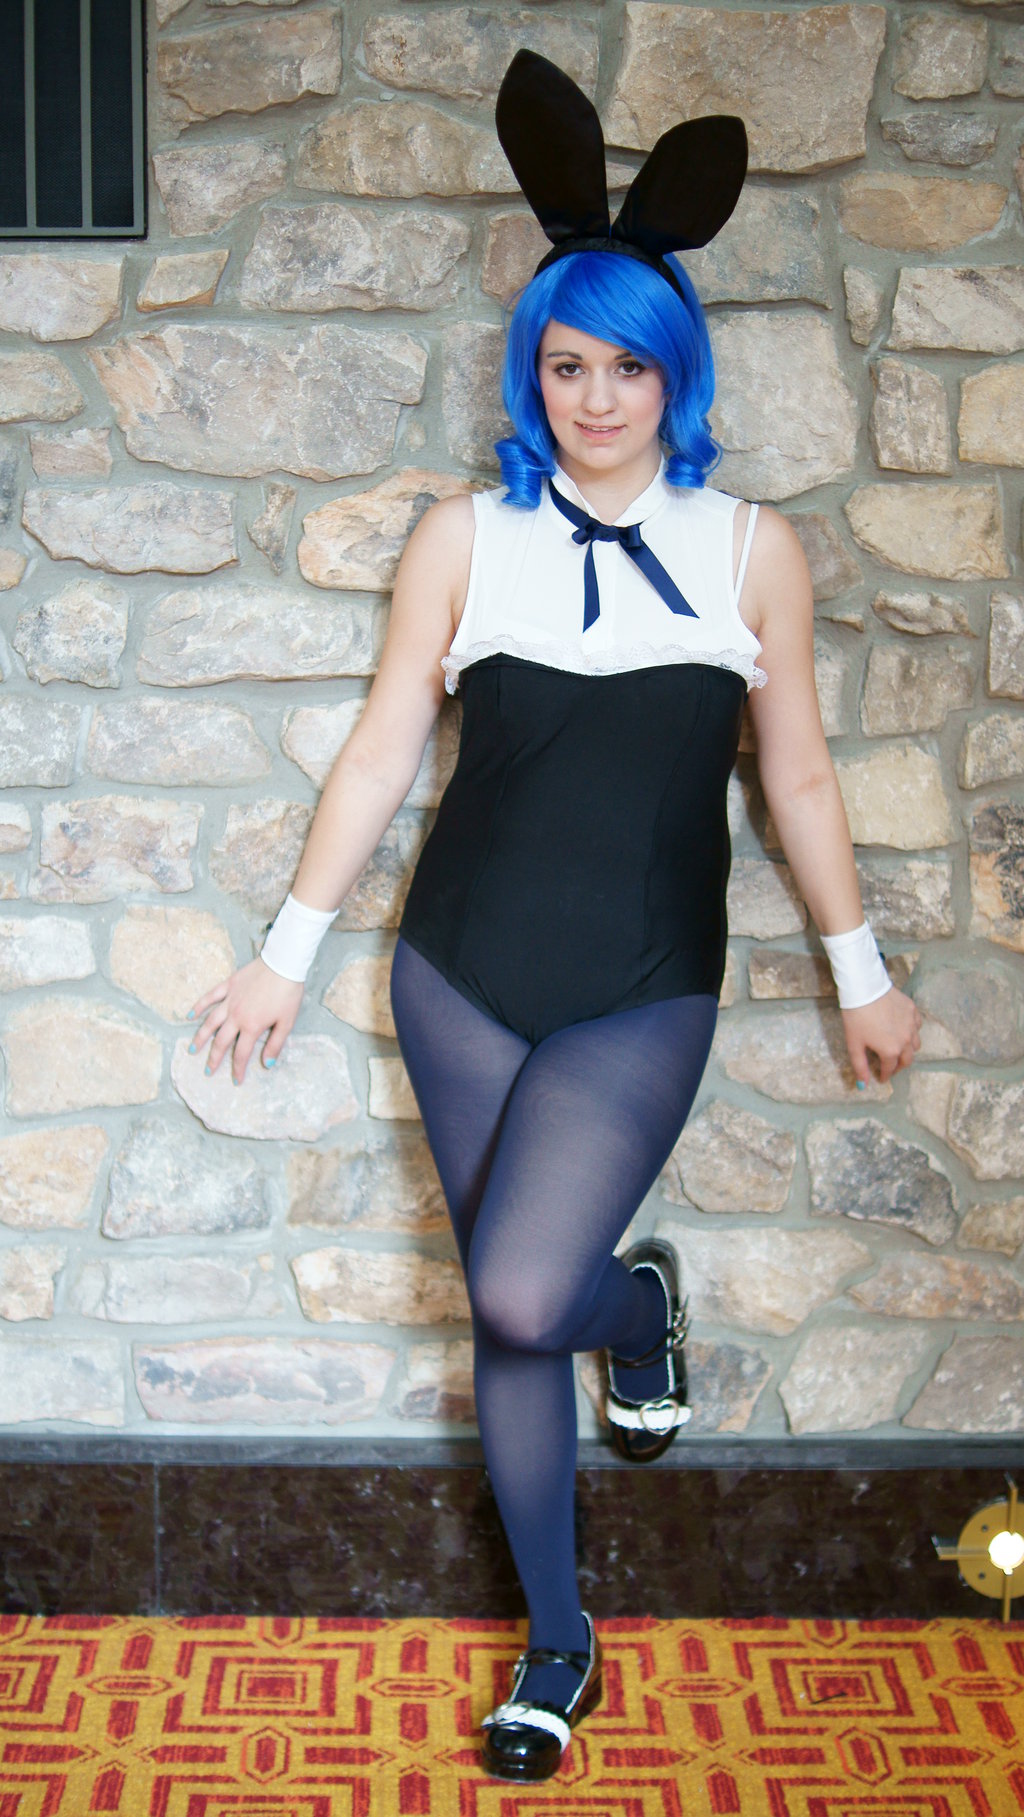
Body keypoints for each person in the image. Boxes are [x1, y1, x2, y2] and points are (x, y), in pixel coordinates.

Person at [187, 51, 922, 1786]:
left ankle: (632, 1312)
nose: (598, 398)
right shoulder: (467, 537)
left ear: (680, 372)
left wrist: (862, 970)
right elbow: (385, 750)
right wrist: (284, 954)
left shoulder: (751, 550)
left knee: (529, 1290)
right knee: (498, 1313)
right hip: (459, 970)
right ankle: (558, 1644)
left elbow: (801, 782)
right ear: (534, 370)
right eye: (568, 364)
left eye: (629, 366)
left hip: (642, 983)